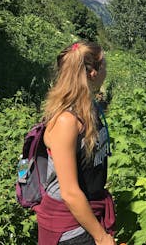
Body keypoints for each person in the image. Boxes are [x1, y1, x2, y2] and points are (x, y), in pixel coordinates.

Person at [34, 41, 116, 245]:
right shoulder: (66, 121)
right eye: (103, 64)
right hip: (69, 227)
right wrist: (101, 237)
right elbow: (69, 192)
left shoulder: (90, 108)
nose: (106, 69)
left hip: (87, 213)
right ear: (93, 73)